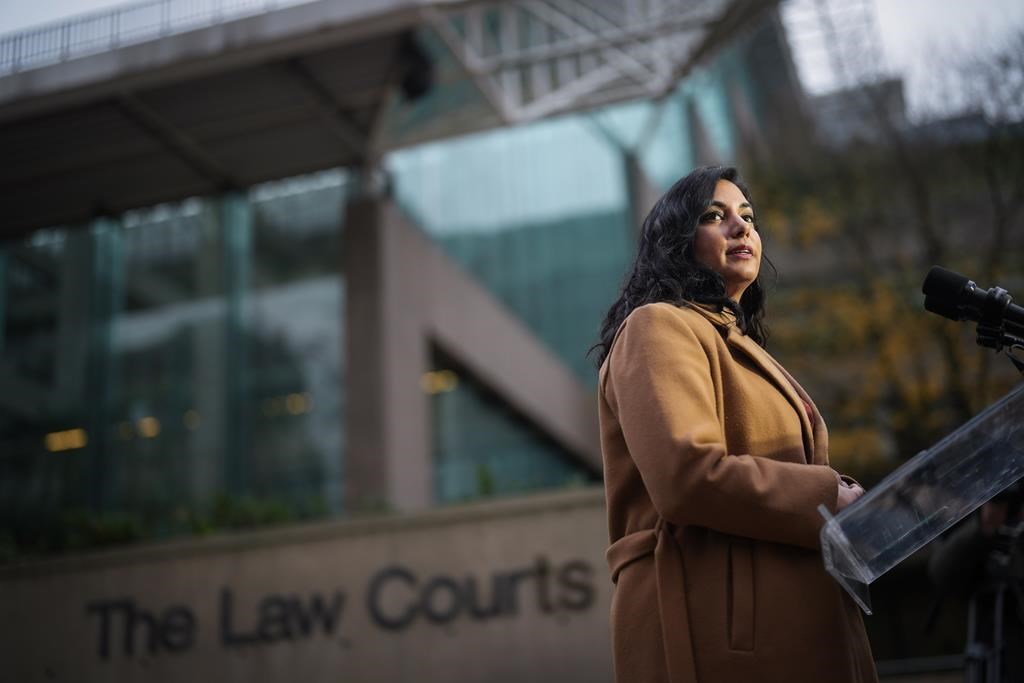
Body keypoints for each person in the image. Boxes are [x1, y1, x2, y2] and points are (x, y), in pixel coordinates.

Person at [593, 166, 877, 683]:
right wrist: (826, 496)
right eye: (714, 216)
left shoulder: (735, 342)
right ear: (676, 241)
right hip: (713, 625)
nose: (741, 226)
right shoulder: (657, 325)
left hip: (785, 614)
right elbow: (686, 476)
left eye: (747, 216)